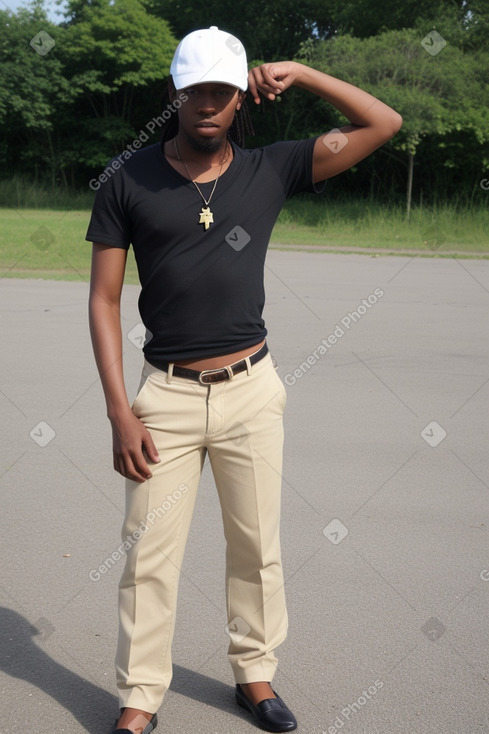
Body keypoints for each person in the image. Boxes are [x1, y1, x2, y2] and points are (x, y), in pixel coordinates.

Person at [87, 25, 402, 734]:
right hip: (162, 399)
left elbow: (384, 122)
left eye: (221, 91)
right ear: (175, 93)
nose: (207, 102)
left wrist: (305, 72)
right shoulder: (127, 178)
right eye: (195, 88)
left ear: (239, 100)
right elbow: (104, 300)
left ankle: (253, 676)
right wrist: (119, 411)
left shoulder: (272, 168)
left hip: (250, 393)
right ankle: (140, 695)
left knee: (257, 549)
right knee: (149, 558)